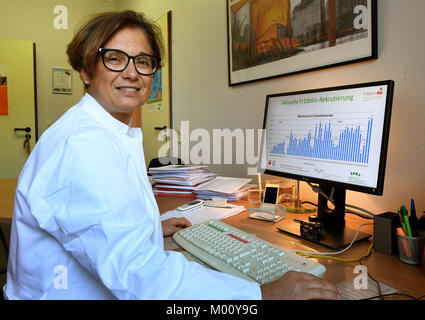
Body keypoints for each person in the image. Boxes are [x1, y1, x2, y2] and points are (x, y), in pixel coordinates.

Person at [4, 10, 340, 300]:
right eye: (115, 58)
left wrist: (150, 225)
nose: (132, 72)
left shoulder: (104, 132)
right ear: (86, 70)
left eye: (143, 61)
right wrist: (261, 293)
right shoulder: (83, 146)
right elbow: (141, 277)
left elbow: (100, 222)